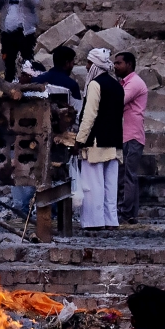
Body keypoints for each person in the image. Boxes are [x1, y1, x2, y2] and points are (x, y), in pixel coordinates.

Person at [72, 46, 125, 229]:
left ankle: (93, 222)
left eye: (88, 63)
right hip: (115, 142)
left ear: (94, 65)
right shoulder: (117, 85)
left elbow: (89, 116)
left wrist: (79, 140)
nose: (86, 67)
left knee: (92, 185)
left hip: (96, 142)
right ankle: (111, 221)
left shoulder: (95, 85)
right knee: (110, 186)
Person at [115, 51, 148, 221]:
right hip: (127, 135)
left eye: (118, 63)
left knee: (127, 176)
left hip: (131, 136)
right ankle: (129, 214)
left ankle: (126, 212)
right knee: (126, 176)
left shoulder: (134, 83)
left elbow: (118, 100)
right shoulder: (125, 83)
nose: (115, 66)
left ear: (129, 64)